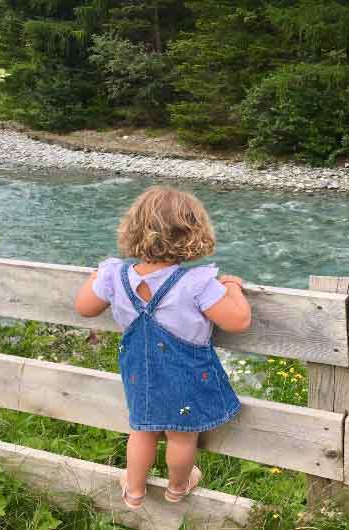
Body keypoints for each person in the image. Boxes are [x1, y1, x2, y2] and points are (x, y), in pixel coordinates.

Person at [74, 186, 252, 510]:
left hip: (139, 371)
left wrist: (96, 276)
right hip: (184, 374)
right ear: (193, 234)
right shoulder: (197, 282)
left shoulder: (115, 275)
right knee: (181, 435)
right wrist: (233, 287)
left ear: (133, 229)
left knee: (142, 429)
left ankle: (135, 491)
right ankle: (178, 487)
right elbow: (238, 321)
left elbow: (85, 307)